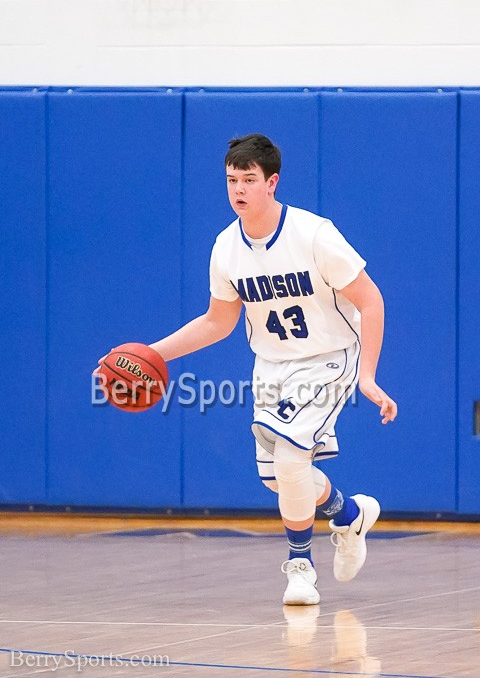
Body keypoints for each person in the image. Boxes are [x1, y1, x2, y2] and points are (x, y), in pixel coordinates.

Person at [98, 134, 397, 605]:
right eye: (231, 180)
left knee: (291, 460)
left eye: (248, 180)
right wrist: (151, 354)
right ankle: (350, 514)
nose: (238, 189)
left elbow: (371, 299)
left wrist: (368, 375)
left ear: (272, 182)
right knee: (280, 480)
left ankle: (300, 568)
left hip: (330, 355)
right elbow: (218, 322)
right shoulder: (225, 247)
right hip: (272, 363)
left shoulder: (315, 234)